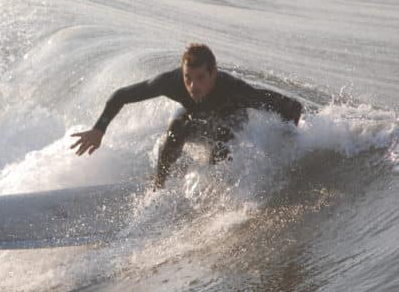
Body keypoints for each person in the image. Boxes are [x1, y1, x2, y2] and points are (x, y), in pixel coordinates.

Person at [69, 43, 303, 191]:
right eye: (188, 77)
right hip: (196, 118)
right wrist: (99, 129)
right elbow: (121, 95)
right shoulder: (172, 83)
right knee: (175, 131)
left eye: (201, 77)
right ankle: (158, 187)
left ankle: (214, 194)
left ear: (213, 72)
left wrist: (291, 142)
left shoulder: (233, 89)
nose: (193, 85)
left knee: (222, 139)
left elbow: (290, 106)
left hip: (230, 122)